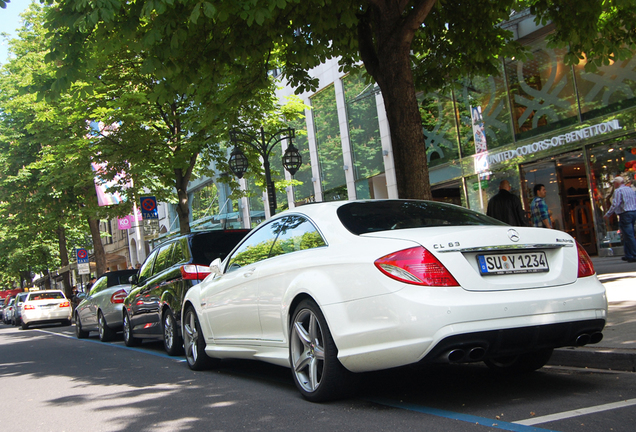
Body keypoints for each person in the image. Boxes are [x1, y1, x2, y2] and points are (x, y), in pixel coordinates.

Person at [603, 176, 636, 262]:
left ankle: (634, 254)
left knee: (628, 235)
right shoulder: (629, 189)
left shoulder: (618, 191)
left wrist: (608, 214)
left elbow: (615, 204)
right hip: (633, 212)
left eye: (614, 183)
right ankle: (628, 254)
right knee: (626, 234)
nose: (614, 185)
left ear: (617, 183)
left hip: (625, 214)